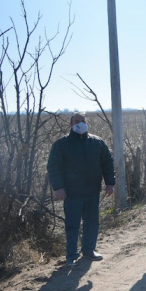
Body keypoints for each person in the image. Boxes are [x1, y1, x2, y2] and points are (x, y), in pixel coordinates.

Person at [47, 113, 115, 266]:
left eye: (83, 121)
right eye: (77, 121)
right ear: (70, 125)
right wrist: (58, 187)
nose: (80, 124)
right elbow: (53, 167)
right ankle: (71, 255)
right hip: (71, 192)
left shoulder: (97, 142)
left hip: (92, 191)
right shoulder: (61, 144)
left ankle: (89, 250)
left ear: (87, 123)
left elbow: (107, 163)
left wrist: (109, 183)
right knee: (72, 224)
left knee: (92, 222)